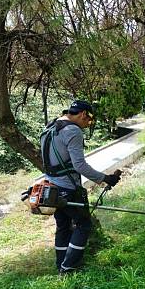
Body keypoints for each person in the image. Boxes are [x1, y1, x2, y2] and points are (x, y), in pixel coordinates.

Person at [41, 100, 122, 275]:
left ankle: (60, 264)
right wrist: (105, 178)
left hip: (52, 189)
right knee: (84, 225)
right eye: (89, 121)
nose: (88, 125)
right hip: (68, 189)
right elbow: (79, 166)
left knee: (62, 225)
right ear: (84, 114)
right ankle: (68, 268)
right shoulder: (72, 130)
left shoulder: (50, 127)